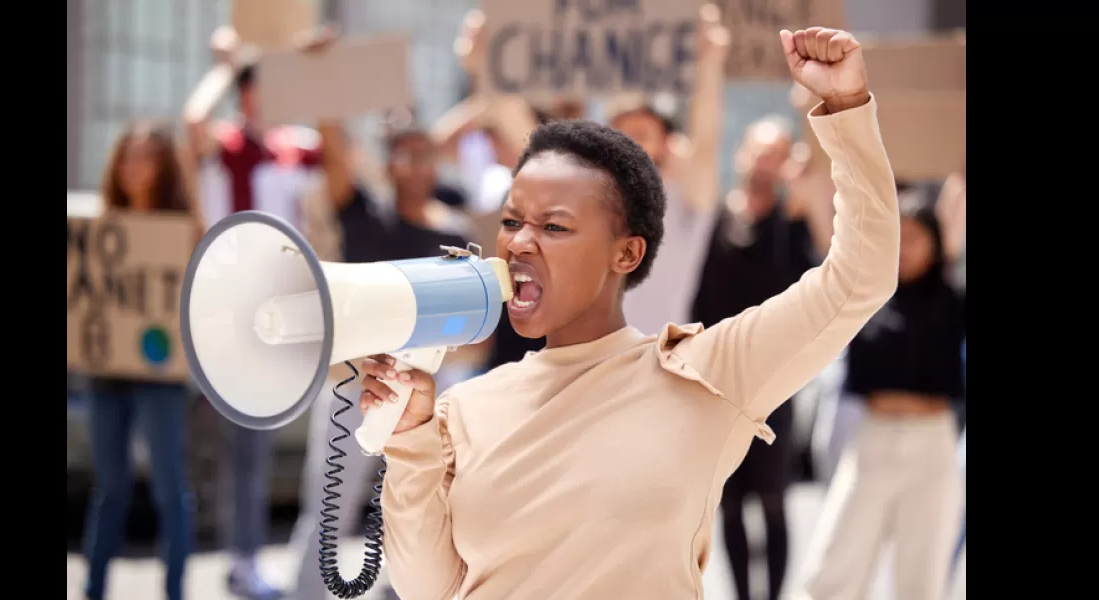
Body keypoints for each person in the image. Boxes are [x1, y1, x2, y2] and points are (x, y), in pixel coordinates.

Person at [359, 27, 900, 599]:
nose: (518, 243)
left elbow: (861, 275)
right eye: (512, 221)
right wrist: (411, 442)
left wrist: (845, 110)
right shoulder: (462, 408)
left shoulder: (707, 375)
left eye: (554, 226)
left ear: (627, 252)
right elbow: (427, 589)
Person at [288, 119, 473, 600]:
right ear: (387, 163)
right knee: (329, 507)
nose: (416, 167)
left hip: (426, 389)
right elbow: (333, 151)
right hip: (354, 385)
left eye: (425, 155)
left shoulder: (454, 234)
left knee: (419, 502)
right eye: (405, 155)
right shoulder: (364, 214)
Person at [182, 27, 334, 600]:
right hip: (232, 309)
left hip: (292, 307)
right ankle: (242, 558)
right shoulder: (227, 144)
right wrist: (226, 65)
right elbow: (191, 124)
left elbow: (343, 156)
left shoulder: (297, 145)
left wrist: (314, 72)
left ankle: (248, 556)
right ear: (245, 95)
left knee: (268, 443)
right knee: (243, 443)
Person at [799, 198, 966, 600]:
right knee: (833, 567)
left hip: (932, 445)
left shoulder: (954, 302)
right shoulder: (867, 297)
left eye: (914, 238)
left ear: (936, 242)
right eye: (898, 237)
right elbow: (830, 248)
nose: (904, 248)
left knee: (921, 576)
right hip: (872, 441)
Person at [690, 115, 820, 600]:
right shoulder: (714, 220)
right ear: (742, 154)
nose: (767, 163)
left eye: (778, 154)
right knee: (729, 501)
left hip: (773, 384)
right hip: (717, 383)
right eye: (761, 151)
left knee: (772, 499)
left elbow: (818, 272)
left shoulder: (791, 225)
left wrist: (802, 198)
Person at [82, 122, 197, 600]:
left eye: (146, 157)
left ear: (164, 166)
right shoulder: (98, 226)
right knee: (110, 487)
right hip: (107, 374)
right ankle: (93, 587)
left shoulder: (187, 228)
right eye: (128, 156)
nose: (135, 167)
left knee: (170, 488)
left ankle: (174, 590)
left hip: (161, 378)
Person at [609, 4, 728, 338]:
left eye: (641, 135)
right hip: (595, 364)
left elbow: (705, 141)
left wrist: (710, 60)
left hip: (658, 356)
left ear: (666, 143)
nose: (628, 144)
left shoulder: (685, 199)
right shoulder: (593, 199)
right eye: (620, 133)